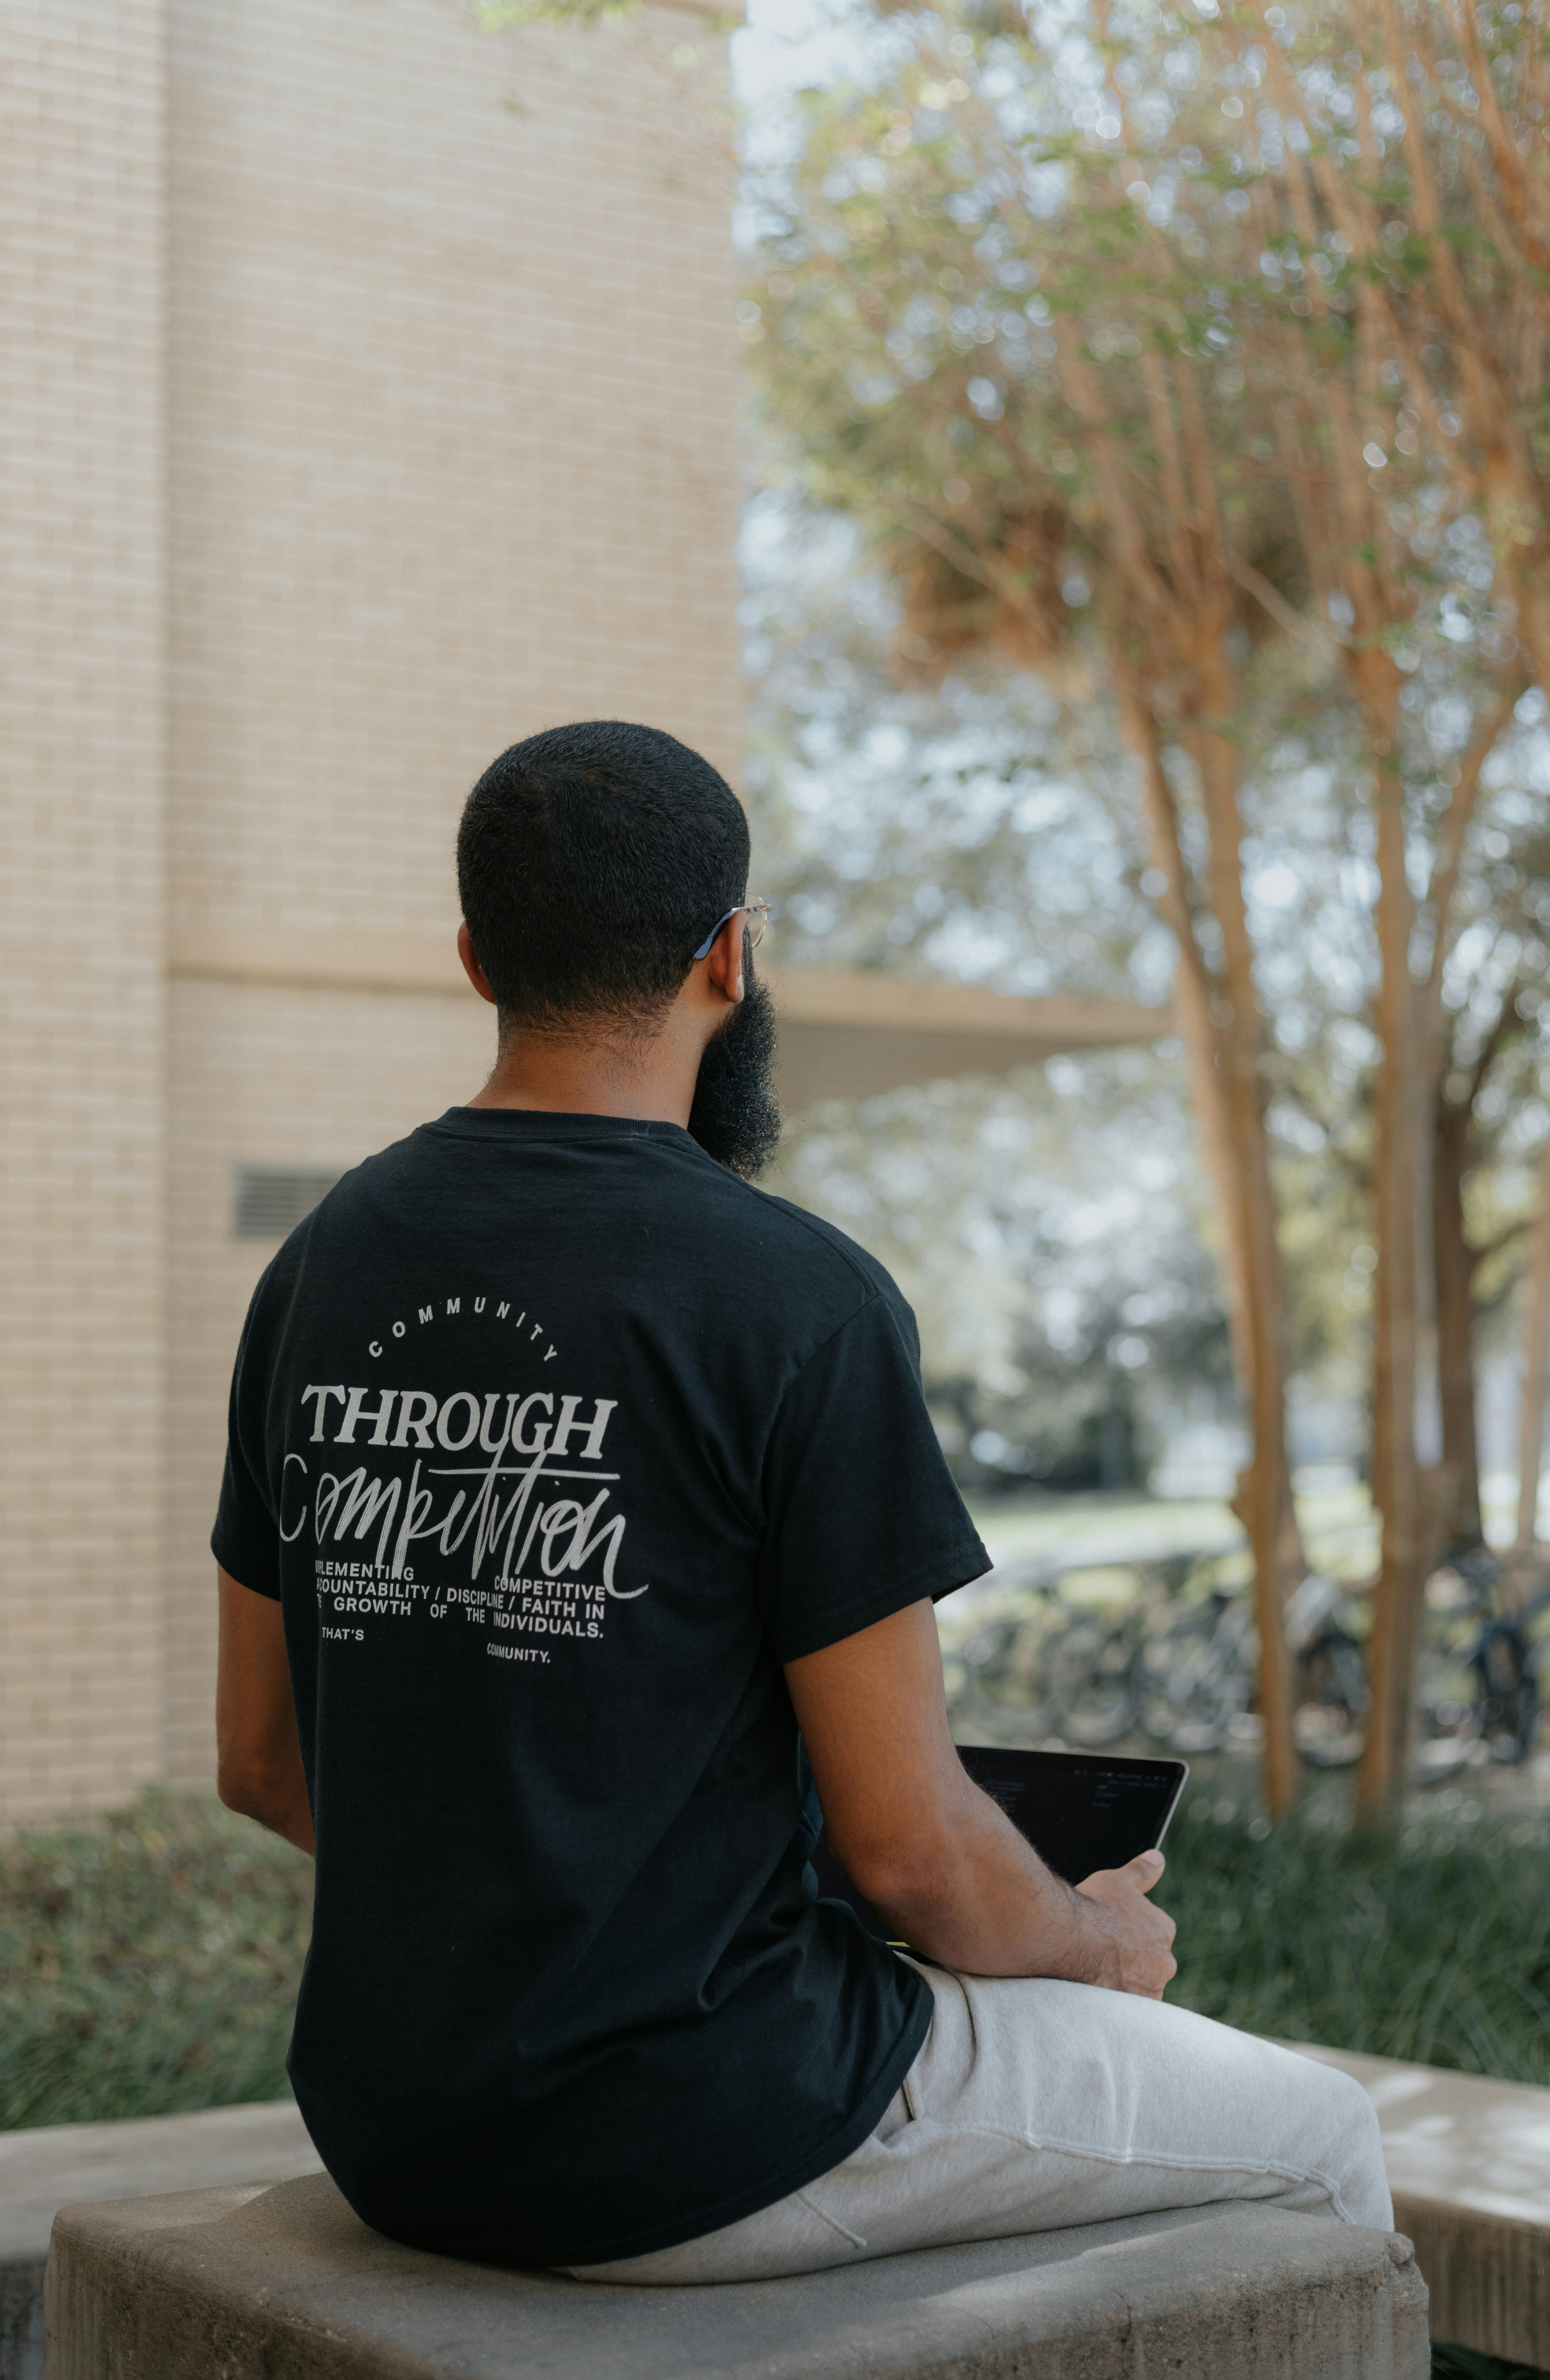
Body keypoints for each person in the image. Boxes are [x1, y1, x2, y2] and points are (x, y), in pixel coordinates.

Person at [214, 719, 1392, 2283]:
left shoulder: (321, 1268)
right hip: (705, 2134)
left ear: (476, 958)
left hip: (394, 2132)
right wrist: (1097, 1942)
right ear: (730, 955)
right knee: (1324, 2141)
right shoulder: (798, 1300)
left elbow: (258, 1763)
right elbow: (908, 1851)